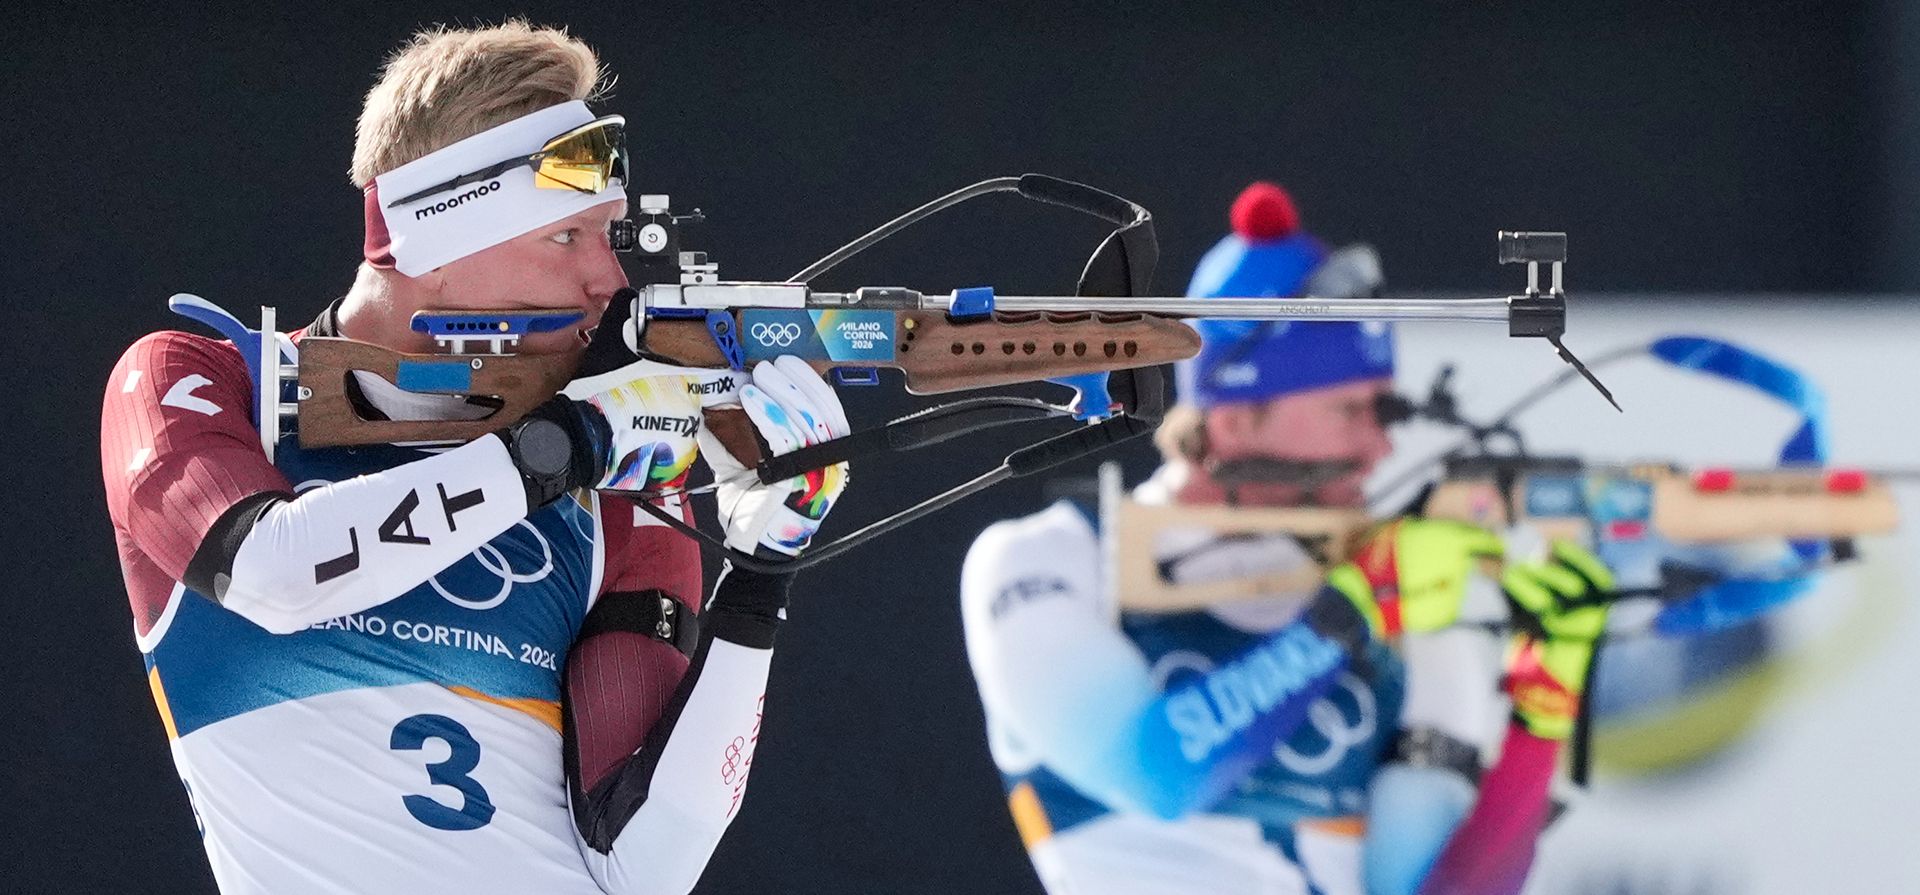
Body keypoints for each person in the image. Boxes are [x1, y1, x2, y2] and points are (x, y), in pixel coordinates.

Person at [99, 22, 846, 895]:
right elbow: (275, 569)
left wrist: (760, 579)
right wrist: (566, 445)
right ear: (431, 240)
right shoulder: (206, 383)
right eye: (567, 238)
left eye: (608, 236)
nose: (610, 280)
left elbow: (644, 866)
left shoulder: (607, 486)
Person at [959, 182, 1612, 895]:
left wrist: (1539, 714)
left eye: (1384, 409)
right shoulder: (1047, 559)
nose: (1378, 448)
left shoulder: (1395, 585)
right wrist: (1349, 617)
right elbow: (1159, 776)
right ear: (1235, 420)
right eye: (1348, 409)